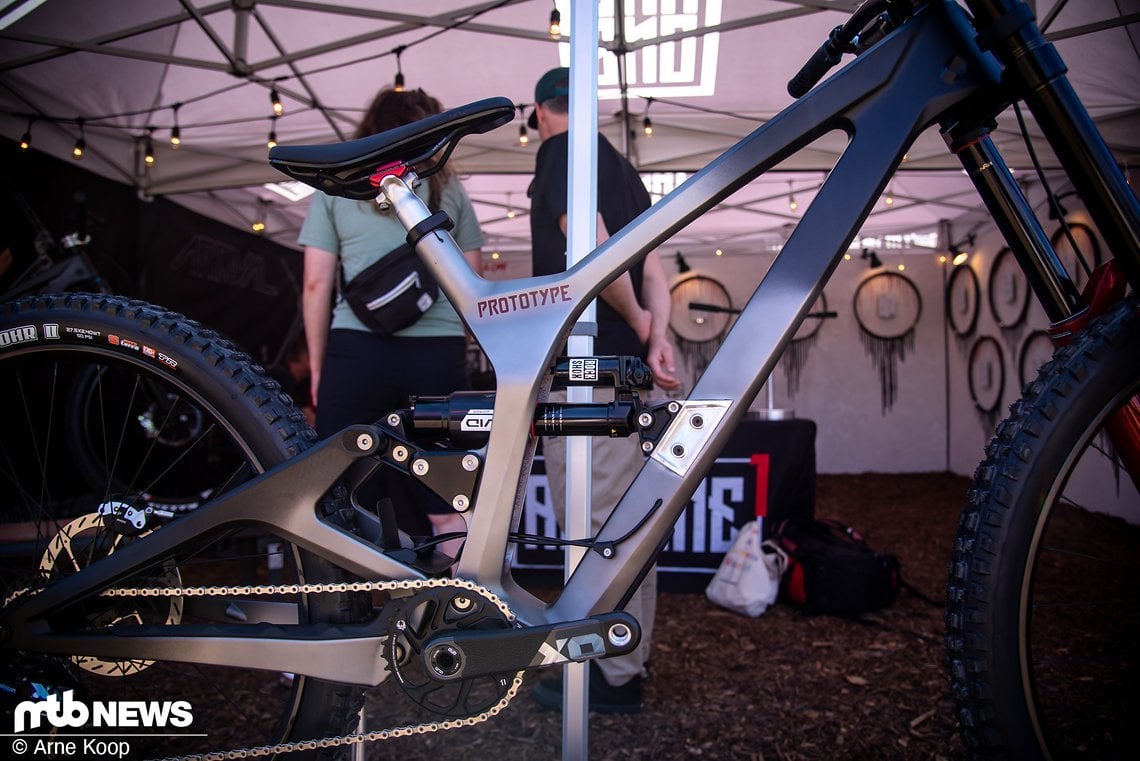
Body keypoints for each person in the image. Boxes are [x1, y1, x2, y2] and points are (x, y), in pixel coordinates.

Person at [527, 66, 682, 714]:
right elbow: (656, 261)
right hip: (630, 369)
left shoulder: (563, 152)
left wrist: (643, 323)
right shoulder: (624, 167)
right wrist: (659, 335)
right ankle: (625, 660)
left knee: (591, 522)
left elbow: (586, 241)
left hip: (590, 367)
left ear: (540, 111)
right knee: (628, 521)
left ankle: (607, 672)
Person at [298, 87, 484, 561]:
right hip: (437, 354)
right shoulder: (449, 189)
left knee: (334, 485)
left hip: (356, 351)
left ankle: (344, 603)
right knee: (447, 495)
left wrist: (319, 368)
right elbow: (472, 281)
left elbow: (317, 285)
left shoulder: (335, 191)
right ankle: (466, 606)